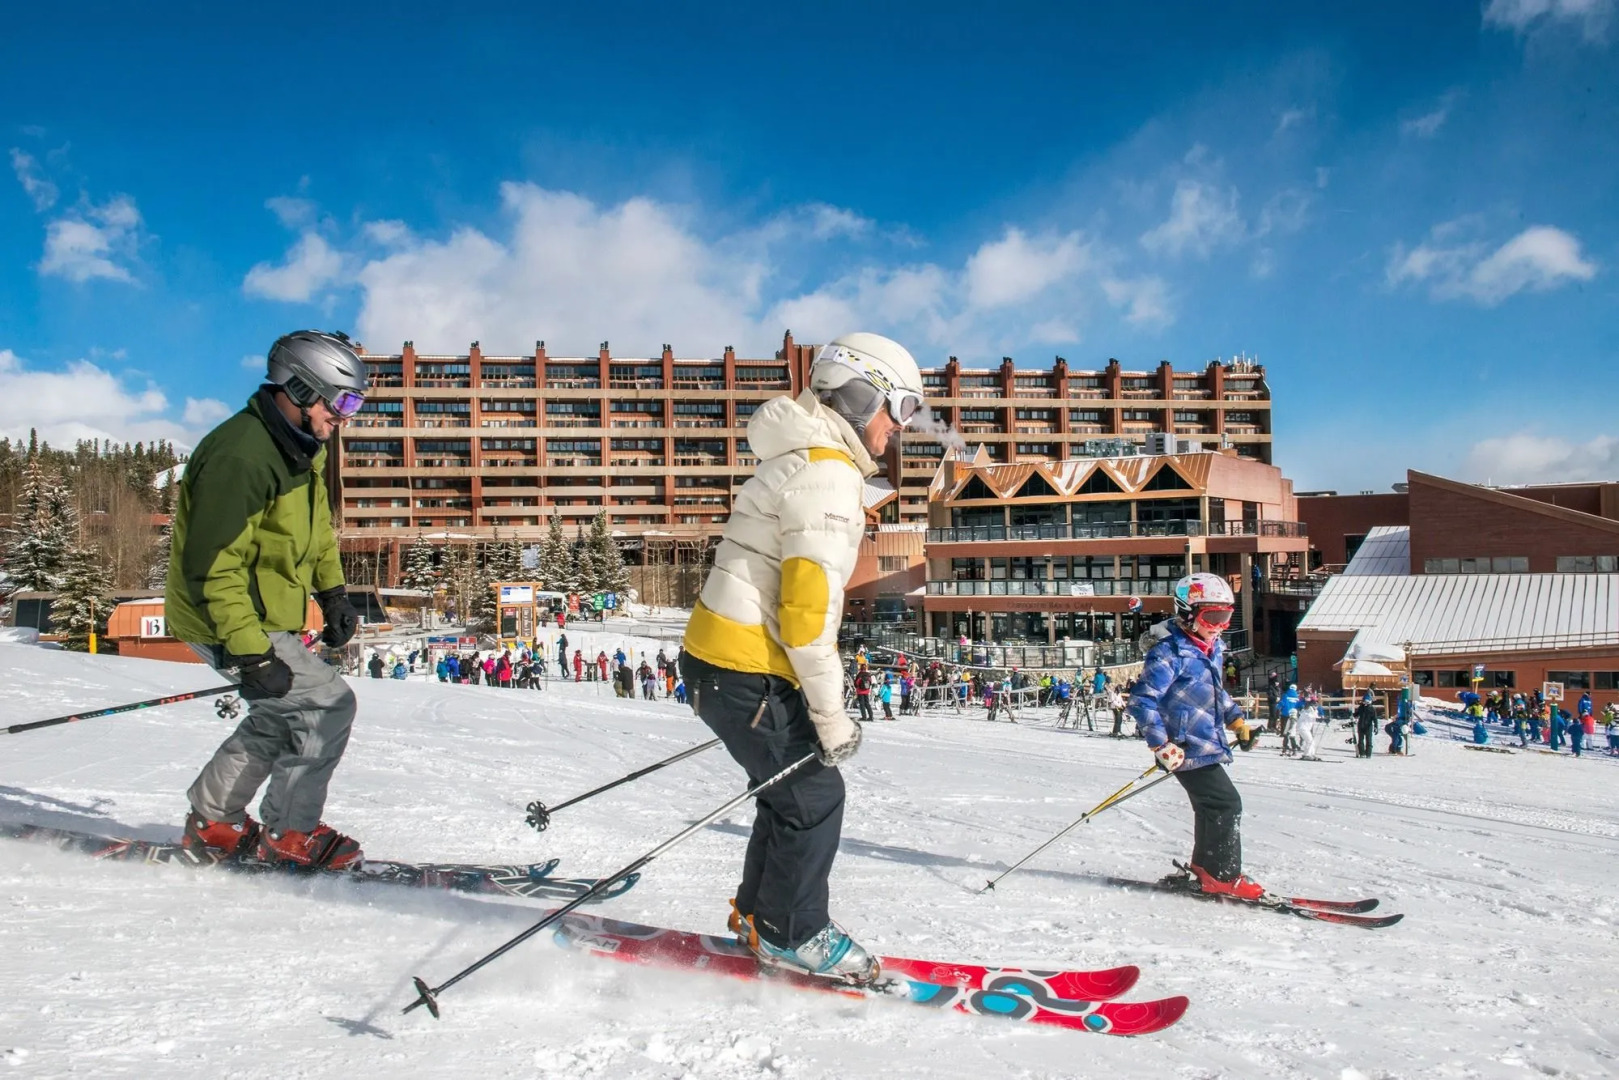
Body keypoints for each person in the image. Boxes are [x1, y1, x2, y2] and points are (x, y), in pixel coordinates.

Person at [681, 331, 927, 983]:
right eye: (898, 409)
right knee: (814, 795)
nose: (898, 429)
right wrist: (832, 718)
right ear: (860, 396)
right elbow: (805, 619)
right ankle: (792, 932)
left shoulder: (805, 459)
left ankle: (762, 917)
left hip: (726, 659)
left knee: (789, 791)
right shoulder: (827, 476)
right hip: (743, 664)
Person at [165, 329, 367, 869]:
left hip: (261, 613)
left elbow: (317, 531)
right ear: (301, 389)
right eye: (342, 401)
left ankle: (213, 820)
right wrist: (251, 651)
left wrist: (334, 594)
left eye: (356, 404)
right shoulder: (242, 456)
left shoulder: (302, 447)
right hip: (225, 615)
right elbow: (215, 566)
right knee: (328, 704)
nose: (345, 416)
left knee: (280, 715)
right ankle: (290, 832)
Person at [1129, 572, 1263, 899]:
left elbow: (1215, 693)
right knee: (1225, 803)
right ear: (1188, 613)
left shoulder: (1211, 648)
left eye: (1226, 618)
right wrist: (1161, 744)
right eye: (1212, 617)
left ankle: (1206, 869)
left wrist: (1237, 723)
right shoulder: (1170, 653)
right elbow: (1142, 700)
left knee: (1210, 804)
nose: (1219, 626)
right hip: (1183, 746)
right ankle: (1222, 875)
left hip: (1207, 741)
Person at [1354, 691, 1378, 758]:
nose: (1365, 703)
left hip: (1368, 726)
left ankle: (1368, 754)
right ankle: (1362, 753)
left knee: (1369, 740)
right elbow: (1357, 714)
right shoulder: (1361, 707)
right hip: (1361, 726)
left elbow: (1375, 718)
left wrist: (1376, 727)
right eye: (1364, 702)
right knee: (1360, 740)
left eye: (1367, 702)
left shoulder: (1372, 709)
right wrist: (1352, 714)